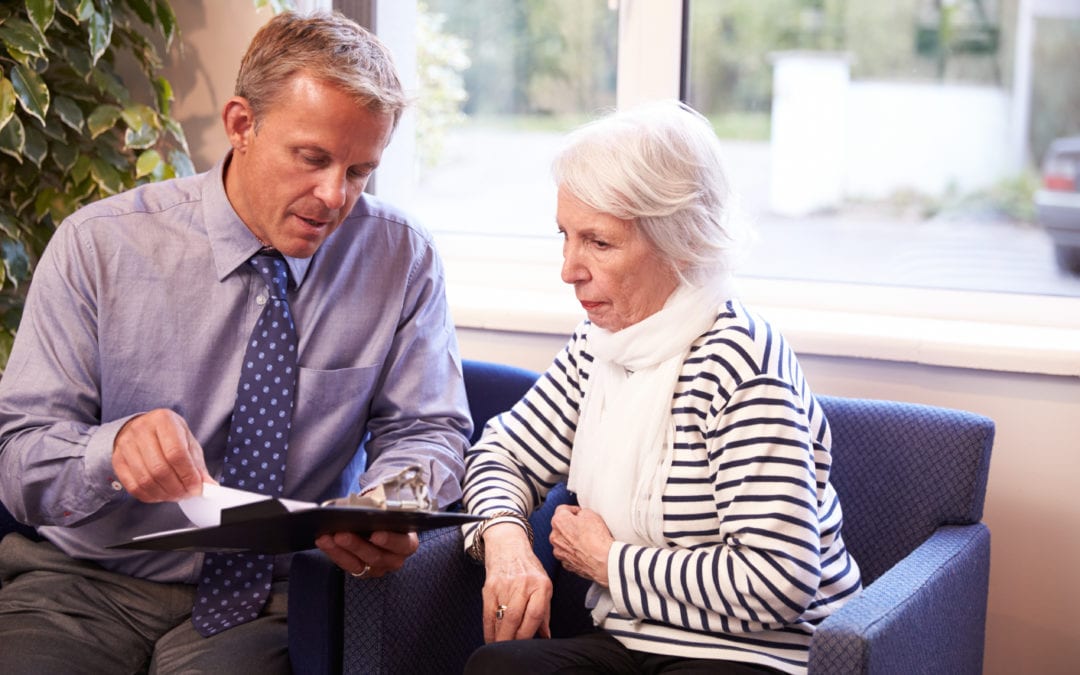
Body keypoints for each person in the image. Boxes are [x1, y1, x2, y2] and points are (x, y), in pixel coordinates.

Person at [0, 10, 471, 674]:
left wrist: (393, 502)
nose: (334, 195)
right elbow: (18, 463)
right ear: (242, 124)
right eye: (313, 158)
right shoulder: (97, 245)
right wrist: (110, 450)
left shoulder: (400, 258)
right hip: (83, 584)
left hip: (275, 596)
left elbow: (427, 429)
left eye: (360, 170)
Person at [460, 100, 863, 675]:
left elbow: (780, 580)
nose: (569, 269)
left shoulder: (739, 362)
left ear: (679, 242)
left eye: (599, 243)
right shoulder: (599, 343)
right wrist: (506, 544)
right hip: (630, 643)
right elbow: (502, 454)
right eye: (565, 236)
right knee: (496, 668)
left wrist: (609, 561)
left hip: (758, 655)